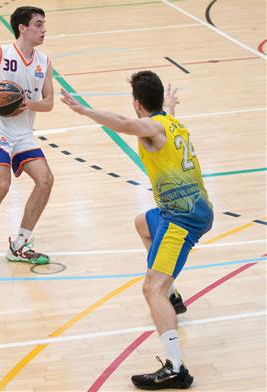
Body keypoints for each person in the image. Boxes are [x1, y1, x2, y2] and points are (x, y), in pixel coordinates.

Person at [60, 71, 213, 390]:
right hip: (194, 207)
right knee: (142, 224)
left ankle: (175, 368)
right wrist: (171, 106)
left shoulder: (151, 126)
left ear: (136, 103)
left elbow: (126, 124)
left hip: (182, 218)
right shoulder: (171, 122)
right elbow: (162, 121)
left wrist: (84, 111)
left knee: (150, 289)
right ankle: (173, 298)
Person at [0, 6, 54, 280]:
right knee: (1, 184)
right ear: (23, 28)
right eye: (38, 25)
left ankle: (19, 245)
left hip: (24, 133)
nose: (43, 30)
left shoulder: (44, 61)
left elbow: (49, 102)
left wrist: (31, 104)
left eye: (43, 25)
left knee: (45, 180)